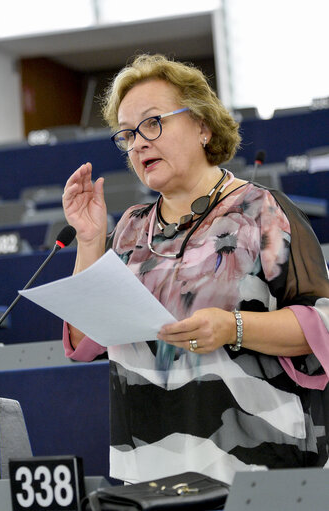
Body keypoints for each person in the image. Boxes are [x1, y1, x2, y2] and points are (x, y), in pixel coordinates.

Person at [62, 54, 329, 485]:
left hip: (255, 466)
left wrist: (234, 327)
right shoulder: (130, 229)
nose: (138, 143)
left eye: (152, 123)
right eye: (127, 134)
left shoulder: (261, 212)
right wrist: (91, 240)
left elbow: (322, 324)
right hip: (148, 466)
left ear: (203, 126)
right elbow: (84, 340)